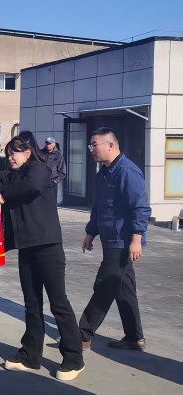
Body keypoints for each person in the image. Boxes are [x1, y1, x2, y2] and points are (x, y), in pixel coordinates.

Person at [0, 134, 85, 381]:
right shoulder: (10, 177)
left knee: (58, 303)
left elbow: (30, 186)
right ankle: (30, 355)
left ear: (27, 153)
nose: (10, 158)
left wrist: (5, 196)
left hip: (48, 247)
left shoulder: (39, 169)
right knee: (32, 303)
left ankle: (73, 359)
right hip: (26, 247)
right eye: (8, 154)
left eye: (14, 153)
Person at [79, 127, 151, 351]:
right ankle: (134, 338)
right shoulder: (104, 172)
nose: (91, 149)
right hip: (110, 239)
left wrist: (136, 239)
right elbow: (100, 207)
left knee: (105, 285)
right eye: (90, 145)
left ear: (110, 145)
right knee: (123, 289)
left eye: (95, 145)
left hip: (122, 241)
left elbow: (140, 207)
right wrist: (91, 232)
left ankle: (82, 335)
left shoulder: (127, 171)